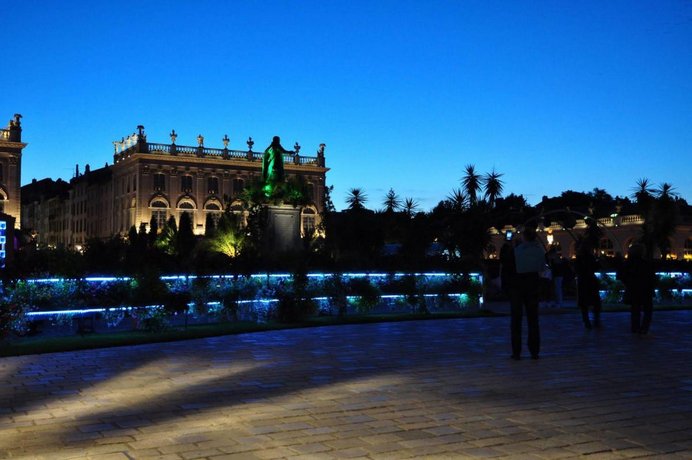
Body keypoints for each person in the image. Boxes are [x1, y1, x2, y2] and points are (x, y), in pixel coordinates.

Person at [510, 226, 546, 360]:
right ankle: (534, 351)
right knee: (533, 319)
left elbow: (510, 266)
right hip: (533, 283)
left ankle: (516, 352)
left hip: (518, 285)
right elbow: (542, 267)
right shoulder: (539, 250)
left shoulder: (517, 250)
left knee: (516, 320)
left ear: (524, 237)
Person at [620, 243, 656, 335]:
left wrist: (628, 283)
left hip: (633, 289)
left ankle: (635, 328)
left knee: (635, 309)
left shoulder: (627, 264)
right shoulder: (646, 264)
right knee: (647, 310)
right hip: (645, 289)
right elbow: (651, 277)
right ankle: (644, 328)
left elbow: (621, 276)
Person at [575, 240, 602, 329]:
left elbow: (576, 269)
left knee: (584, 303)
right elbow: (595, 267)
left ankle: (586, 321)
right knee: (595, 301)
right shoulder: (590, 257)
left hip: (583, 281)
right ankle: (596, 320)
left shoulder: (579, 258)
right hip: (590, 280)